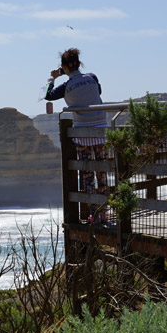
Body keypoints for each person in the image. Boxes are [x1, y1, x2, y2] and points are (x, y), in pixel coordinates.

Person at [45, 48, 109, 212]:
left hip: (82, 135)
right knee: (102, 174)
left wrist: (52, 77)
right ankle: (104, 212)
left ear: (64, 68)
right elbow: (98, 92)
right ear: (79, 64)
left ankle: (93, 214)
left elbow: (47, 95)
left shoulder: (66, 86)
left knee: (87, 176)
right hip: (101, 131)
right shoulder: (92, 77)